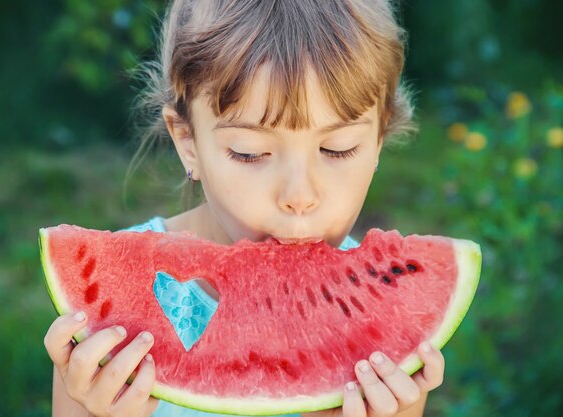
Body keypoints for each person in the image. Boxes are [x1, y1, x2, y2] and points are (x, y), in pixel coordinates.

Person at [43, 0, 446, 416]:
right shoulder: (109, 329)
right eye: (250, 152)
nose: (299, 195)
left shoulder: (376, 326)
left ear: (378, 140)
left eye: (337, 149)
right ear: (188, 142)